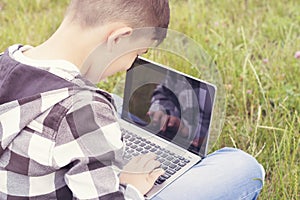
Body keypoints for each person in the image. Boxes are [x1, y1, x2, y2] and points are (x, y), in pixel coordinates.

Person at [0, 0, 265, 199]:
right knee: (241, 167)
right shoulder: (83, 109)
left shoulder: (7, 60)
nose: (130, 66)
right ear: (119, 37)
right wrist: (130, 186)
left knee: (116, 104)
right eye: (137, 54)